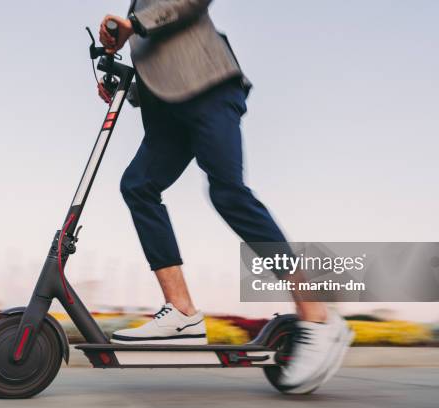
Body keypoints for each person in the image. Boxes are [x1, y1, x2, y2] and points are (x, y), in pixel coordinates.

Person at [97, 0, 352, 389]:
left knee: (228, 192)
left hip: (210, 89)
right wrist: (124, 85)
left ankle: (315, 312)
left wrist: (133, 24)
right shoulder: (134, 10)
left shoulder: (141, 11)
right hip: (167, 113)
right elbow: (162, 67)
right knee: (138, 186)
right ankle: (181, 310)